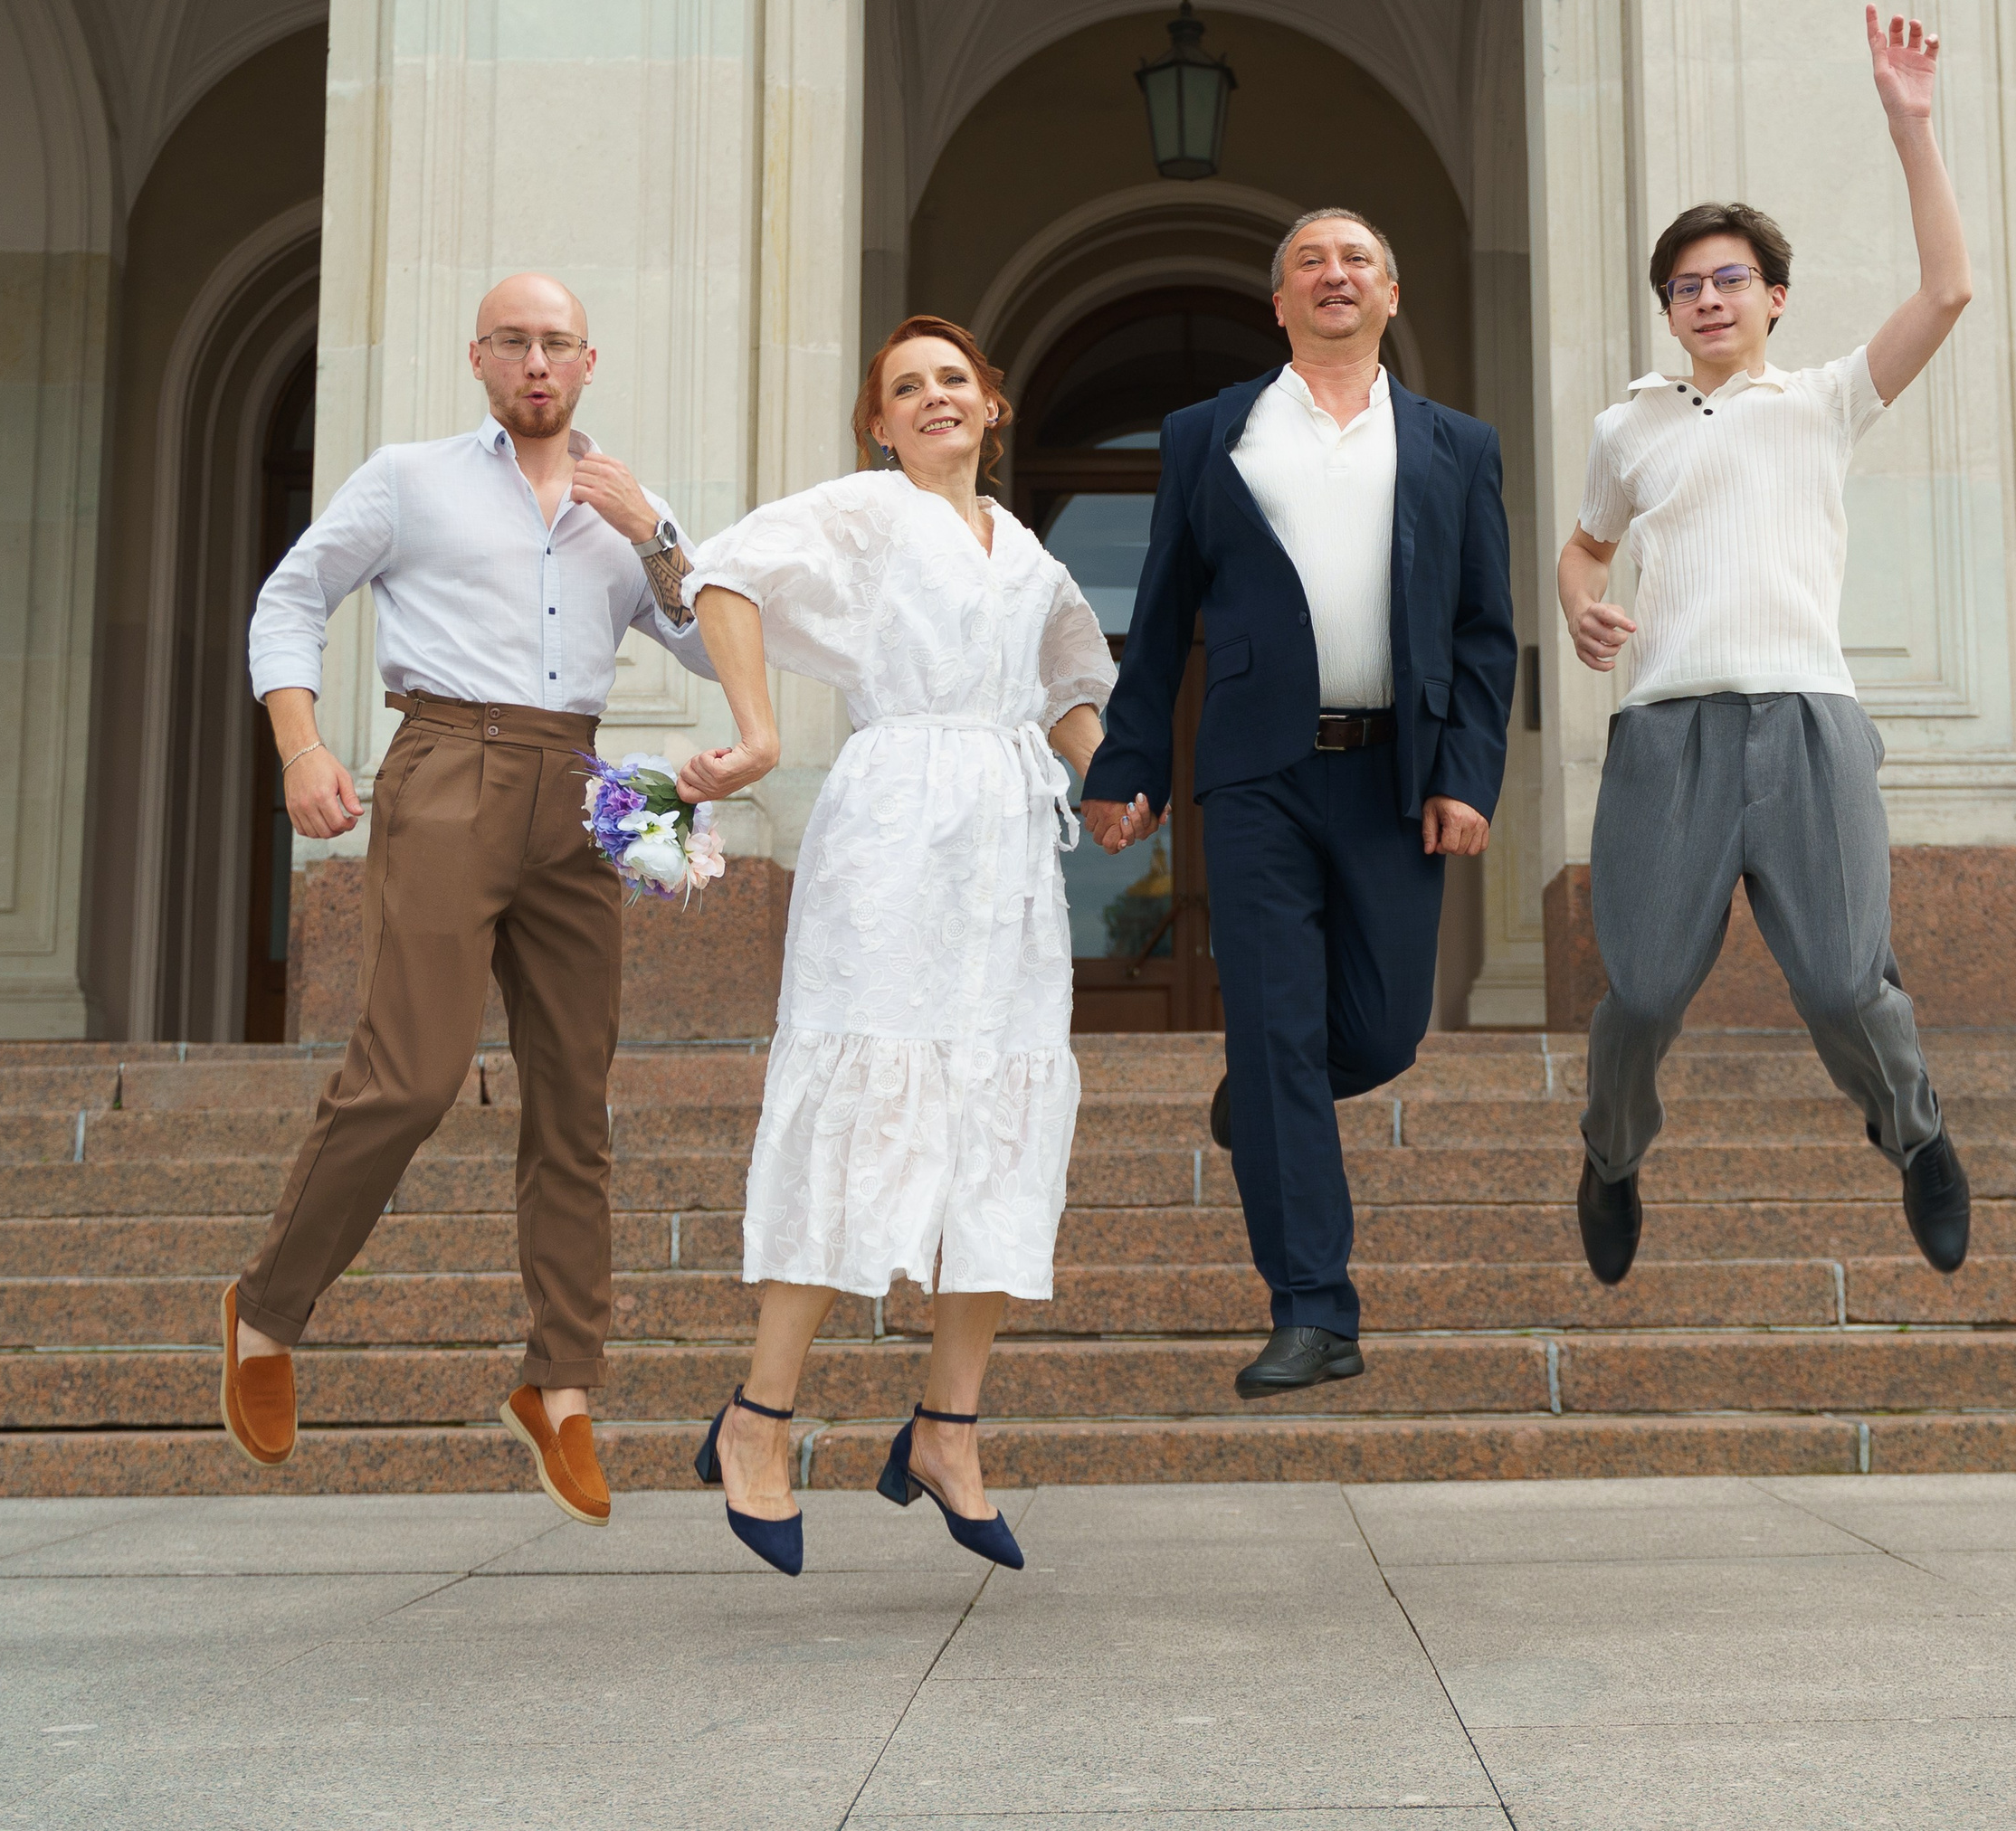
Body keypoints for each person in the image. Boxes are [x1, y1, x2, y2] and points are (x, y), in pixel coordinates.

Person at [222, 272, 713, 1528]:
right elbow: (290, 598)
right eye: (515, 342)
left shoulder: (627, 508)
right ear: (480, 358)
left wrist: (655, 537)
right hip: (446, 762)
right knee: (412, 1075)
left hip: (581, 785)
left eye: (558, 344)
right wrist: (300, 748)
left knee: (576, 1101)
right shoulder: (409, 479)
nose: (537, 362)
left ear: (589, 363)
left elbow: (716, 646)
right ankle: (267, 1310)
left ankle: (561, 1384)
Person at [676, 317, 1114, 1577]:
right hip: (892, 834)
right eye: (906, 387)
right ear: (880, 422)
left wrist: (1113, 789)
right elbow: (725, 575)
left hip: (1005, 856)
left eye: (953, 381)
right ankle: (759, 1418)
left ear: (993, 405)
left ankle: (947, 1429)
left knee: (998, 1115)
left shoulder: (1027, 551)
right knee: (862, 1103)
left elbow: (1072, 684)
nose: (934, 398)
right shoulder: (869, 512)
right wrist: (758, 734)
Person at [1557, 8, 1975, 1287]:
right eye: (1686, 286)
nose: (1707, 299)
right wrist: (1580, 604)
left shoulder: (1825, 400)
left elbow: (1949, 291)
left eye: (1730, 279)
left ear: (1774, 299)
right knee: (1641, 993)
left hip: (1807, 725)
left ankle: (1918, 1137)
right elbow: (1585, 548)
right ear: (1668, 309)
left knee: (1845, 984)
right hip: (1667, 734)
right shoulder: (1628, 427)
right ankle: (1613, 1155)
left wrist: (1911, 126)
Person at [1081, 211, 1517, 1400]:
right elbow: (1161, 614)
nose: (1335, 275)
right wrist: (1126, 763)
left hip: (1394, 774)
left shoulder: (1457, 444)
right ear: (1278, 304)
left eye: (1357, 259)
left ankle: (1267, 1099)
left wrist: (1467, 773)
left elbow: (1484, 630)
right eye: (1309, 263)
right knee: (1275, 1026)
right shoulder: (1211, 433)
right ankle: (1314, 1309)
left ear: (1391, 293)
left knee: (1381, 1031)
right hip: (1257, 776)